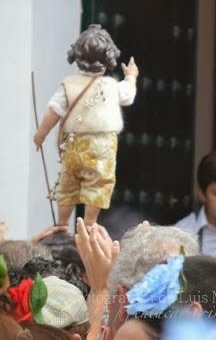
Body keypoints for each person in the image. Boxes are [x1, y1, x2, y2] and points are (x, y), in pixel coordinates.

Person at [33, 24, 139, 228]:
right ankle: (89, 224)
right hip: (103, 147)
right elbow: (129, 94)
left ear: (77, 56)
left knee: (68, 184)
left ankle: (62, 224)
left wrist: (40, 135)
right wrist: (131, 75)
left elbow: (53, 112)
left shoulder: (68, 85)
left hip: (75, 145)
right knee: (98, 185)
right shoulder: (111, 86)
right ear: (109, 58)